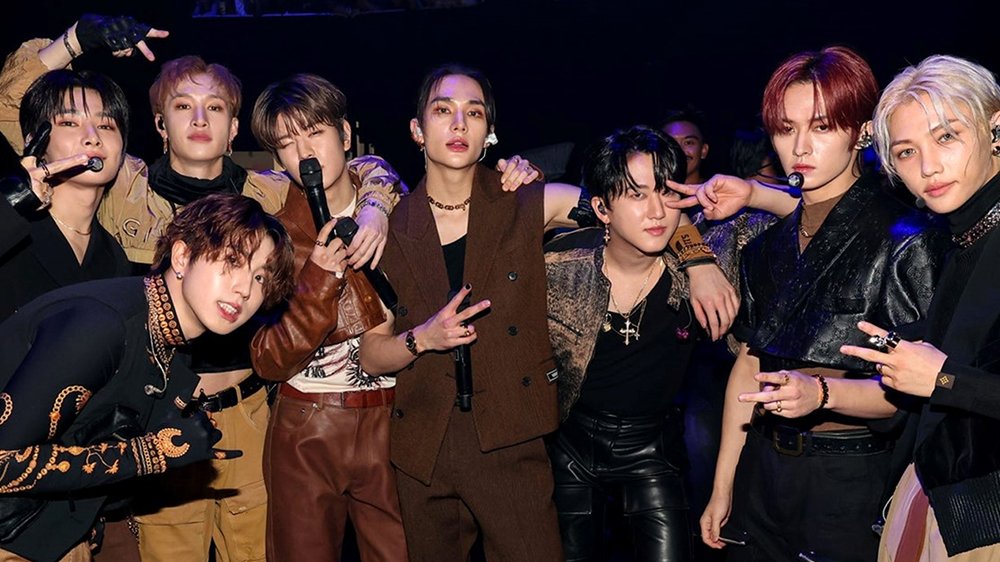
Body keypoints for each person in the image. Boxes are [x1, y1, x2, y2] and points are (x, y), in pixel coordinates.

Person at [0, 16, 404, 561]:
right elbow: (30, 117)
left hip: (252, 413)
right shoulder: (123, 188)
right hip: (158, 416)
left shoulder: (268, 196)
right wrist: (73, 41)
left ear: (234, 127)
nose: (198, 118)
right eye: (182, 105)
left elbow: (358, 166)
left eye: (214, 107)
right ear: (159, 124)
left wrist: (376, 205)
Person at [357, 64, 735, 561]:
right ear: (417, 129)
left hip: (513, 442)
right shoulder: (386, 228)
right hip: (424, 449)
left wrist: (700, 262)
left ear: (490, 132)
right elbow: (370, 354)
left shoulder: (532, 202)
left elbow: (636, 207)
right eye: (443, 110)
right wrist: (421, 339)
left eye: (474, 113)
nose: (458, 124)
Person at [692, 47, 951, 562]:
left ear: (861, 132)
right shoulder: (765, 248)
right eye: (786, 129)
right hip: (762, 471)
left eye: (822, 126)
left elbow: (916, 390)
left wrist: (823, 393)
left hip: (850, 478)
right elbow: (749, 365)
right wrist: (723, 485)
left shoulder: (906, 237)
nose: (801, 147)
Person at [0, 193, 296, 562]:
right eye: (233, 261)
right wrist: (150, 453)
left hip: (49, 536)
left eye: (260, 276)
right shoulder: (103, 326)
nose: (246, 289)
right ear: (182, 256)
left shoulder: (166, 342)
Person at [839, 54, 1000, 560]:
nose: (928, 167)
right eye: (907, 152)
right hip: (945, 496)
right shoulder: (964, 236)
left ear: (995, 129)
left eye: (947, 136)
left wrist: (943, 377)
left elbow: (953, 378)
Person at [247, 73, 408, 562]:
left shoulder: (401, 210)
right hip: (307, 423)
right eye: (287, 143)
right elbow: (268, 359)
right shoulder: (271, 236)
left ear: (345, 133)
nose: (305, 153)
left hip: (396, 417)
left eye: (315, 132)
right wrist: (318, 277)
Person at [545, 125, 700, 561]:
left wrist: (701, 261)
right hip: (570, 446)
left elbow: (805, 211)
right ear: (601, 208)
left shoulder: (695, 271)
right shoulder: (559, 264)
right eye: (636, 194)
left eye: (666, 192)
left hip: (652, 448)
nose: (657, 211)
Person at [0, 68, 131, 323]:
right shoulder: (11, 224)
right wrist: (11, 202)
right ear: (35, 142)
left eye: (106, 125)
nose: (93, 138)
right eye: (69, 123)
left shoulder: (115, 259)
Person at [661, 109, 711, 184]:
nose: (679, 150)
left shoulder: (718, 190)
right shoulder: (648, 190)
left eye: (688, 143)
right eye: (671, 142)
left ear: (703, 150)